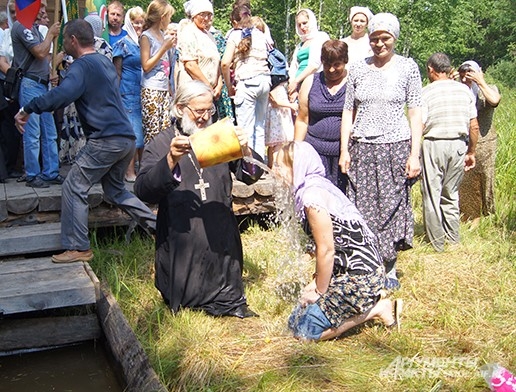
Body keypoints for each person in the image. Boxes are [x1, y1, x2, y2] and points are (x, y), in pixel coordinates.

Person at [14, 19, 156, 263]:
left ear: (72, 40)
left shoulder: (82, 66)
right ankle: (159, 226)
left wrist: (28, 107)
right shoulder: (103, 61)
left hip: (106, 140)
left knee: (74, 186)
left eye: (64, 41)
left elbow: (62, 96)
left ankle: (78, 247)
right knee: (116, 191)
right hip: (125, 139)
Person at [134, 80, 264, 318]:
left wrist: (244, 149)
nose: (205, 117)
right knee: (185, 300)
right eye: (199, 111)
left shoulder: (219, 138)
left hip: (220, 234)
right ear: (180, 108)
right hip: (182, 239)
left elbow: (253, 177)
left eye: (209, 110)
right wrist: (171, 160)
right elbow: (143, 191)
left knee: (226, 289)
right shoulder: (162, 143)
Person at [273, 141, 401, 341]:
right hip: (344, 274)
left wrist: (319, 291)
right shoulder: (313, 186)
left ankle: (376, 308)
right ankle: (367, 303)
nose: (274, 171)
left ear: (297, 166)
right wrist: (315, 279)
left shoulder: (311, 196)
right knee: (293, 321)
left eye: (279, 166)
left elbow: (326, 250)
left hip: (360, 278)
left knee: (305, 332)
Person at [339, 13, 423, 291]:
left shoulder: (408, 68)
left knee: (392, 209)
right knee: (363, 209)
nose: (379, 44)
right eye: (374, 39)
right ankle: (367, 263)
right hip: (362, 148)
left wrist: (414, 154)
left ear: (394, 39)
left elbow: (415, 112)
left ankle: (389, 267)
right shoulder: (358, 69)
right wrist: (344, 150)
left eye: (384, 38)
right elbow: (348, 110)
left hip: (395, 147)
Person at [421, 53, 478, 252]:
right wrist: (471, 151)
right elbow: (474, 126)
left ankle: (436, 244)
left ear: (431, 69)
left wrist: (412, 151)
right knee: (451, 193)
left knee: (431, 193)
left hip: (434, 143)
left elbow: (420, 123)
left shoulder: (426, 92)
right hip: (458, 144)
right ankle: (453, 239)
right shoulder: (464, 91)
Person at [11, 0, 63, 188]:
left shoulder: (33, 28)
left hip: (42, 85)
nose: (43, 10)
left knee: (49, 132)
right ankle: (32, 174)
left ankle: (51, 172)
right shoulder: (21, 26)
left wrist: (53, 71)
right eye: (40, 6)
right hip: (30, 84)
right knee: (33, 132)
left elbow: (46, 59)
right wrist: (50, 33)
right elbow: (40, 53)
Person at [294, 39, 348, 191]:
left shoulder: (353, 82)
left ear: (345, 61)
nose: (331, 70)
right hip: (315, 153)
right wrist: (297, 152)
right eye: (327, 65)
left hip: (343, 155)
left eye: (337, 64)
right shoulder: (311, 82)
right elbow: (302, 120)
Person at [221, 5, 271, 159]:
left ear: (235, 22)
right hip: (264, 80)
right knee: (259, 125)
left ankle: (248, 164)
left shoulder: (235, 35)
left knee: (245, 128)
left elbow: (225, 63)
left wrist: (229, 86)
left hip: (247, 82)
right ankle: (259, 163)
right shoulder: (260, 34)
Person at [457, 60, 501, 221]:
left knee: (485, 179)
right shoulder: (458, 91)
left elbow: (494, 101)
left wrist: (480, 81)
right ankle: (468, 215)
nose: (464, 81)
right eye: (462, 77)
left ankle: (486, 216)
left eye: (468, 77)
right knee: (465, 181)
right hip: (464, 142)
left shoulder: (488, 89)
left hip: (485, 142)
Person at [113, 6, 145, 182]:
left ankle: (143, 169)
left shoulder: (146, 42)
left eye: (141, 22)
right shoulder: (122, 44)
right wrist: (116, 95)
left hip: (144, 92)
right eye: (135, 22)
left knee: (144, 133)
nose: (139, 26)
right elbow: (117, 72)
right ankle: (129, 171)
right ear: (129, 23)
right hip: (128, 93)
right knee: (133, 134)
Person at [140, 0, 175, 143]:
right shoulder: (146, 37)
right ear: (162, 17)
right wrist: (164, 48)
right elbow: (146, 66)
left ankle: (163, 164)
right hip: (151, 89)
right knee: (152, 133)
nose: (170, 20)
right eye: (169, 16)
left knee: (165, 132)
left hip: (164, 90)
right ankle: (150, 164)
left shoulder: (163, 35)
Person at [176, 0, 222, 102]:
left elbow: (216, 62)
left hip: (210, 92)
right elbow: (190, 65)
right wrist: (207, 86)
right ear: (194, 15)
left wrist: (219, 84)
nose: (206, 18)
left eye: (209, 15)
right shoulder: (188, 33)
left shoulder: (209, 36)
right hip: (194, 91)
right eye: (202, 15)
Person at [287, 9, 330, 101]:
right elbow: (293, 66)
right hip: (298, 85)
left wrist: (296, 81)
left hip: (314, 83)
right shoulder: (300, 45)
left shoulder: (321, 37)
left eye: (305, 23)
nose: (302, 27)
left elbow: (314, 65)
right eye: (299, 24)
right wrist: (292, 86)